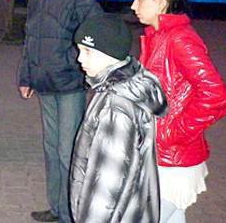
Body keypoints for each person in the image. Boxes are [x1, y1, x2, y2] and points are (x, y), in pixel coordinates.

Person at [131, 0, 226, 223]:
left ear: (160, 2)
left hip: (172, 163)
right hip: (161, 158)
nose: (133, 5)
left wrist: (171, 133)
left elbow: (216, 96)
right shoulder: (157, 37)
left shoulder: (180, 39)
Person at [18, 0, 103, 223]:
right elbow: (30, 40)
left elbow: (96, 33)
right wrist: (25, 76)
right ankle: (56, 208)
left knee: (69, 152)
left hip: (68, 84)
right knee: (51, 149)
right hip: (43, 83)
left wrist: (80, 66)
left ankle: (72, 215)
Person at [70, 13, 167, 223]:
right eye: (79, 50)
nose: (79, 58)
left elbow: (106, 184)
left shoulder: (116, 107)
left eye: (87, 51)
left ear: (110, 54)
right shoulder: (125, 87)